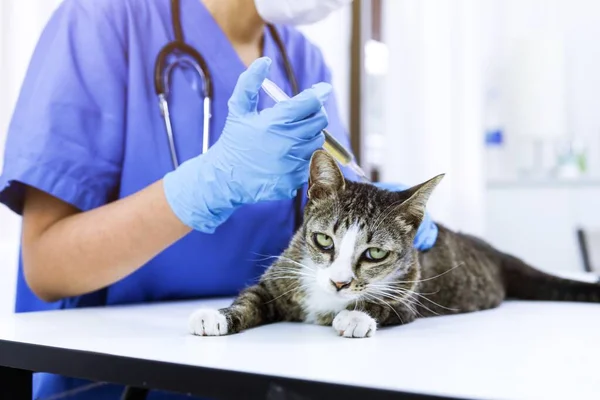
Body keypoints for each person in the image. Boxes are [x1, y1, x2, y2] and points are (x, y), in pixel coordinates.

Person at [0, 0, 439, 398]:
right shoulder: (100, 21)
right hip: (122, 378)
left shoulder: (301, 58)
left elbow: (339, 208)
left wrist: (391, 221)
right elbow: (46, 267)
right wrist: (208, 185)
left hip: (272, 367)